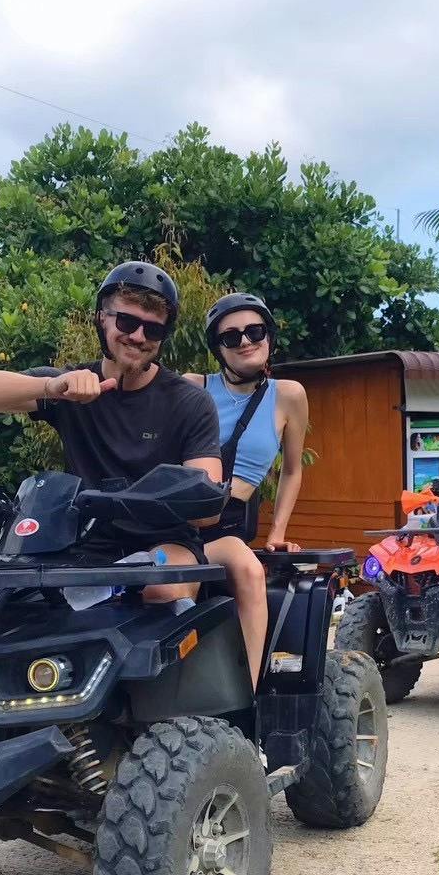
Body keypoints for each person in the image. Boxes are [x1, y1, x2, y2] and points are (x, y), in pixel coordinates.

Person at [0, 261, 221, 605]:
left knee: (160, 588)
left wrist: (162, 497)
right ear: (101, 318)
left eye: (153, 329)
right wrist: (50, 387)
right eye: (127, 322)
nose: (138, 336)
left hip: (165, 542)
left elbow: (207, 509)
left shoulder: (189, 401)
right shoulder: (68, 386)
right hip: (80, 543)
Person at [183, 292, 309, 684]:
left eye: (254, 331)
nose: (245, 341)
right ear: (218, 348)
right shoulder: (193, 386)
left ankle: (247, 694)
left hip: (227, 525)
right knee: (166, 587)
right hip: (179, 522)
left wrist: (277, 533)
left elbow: (292, 470)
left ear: (268, 335)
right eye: (231, 336)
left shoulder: (288, 395)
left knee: (249, 571)